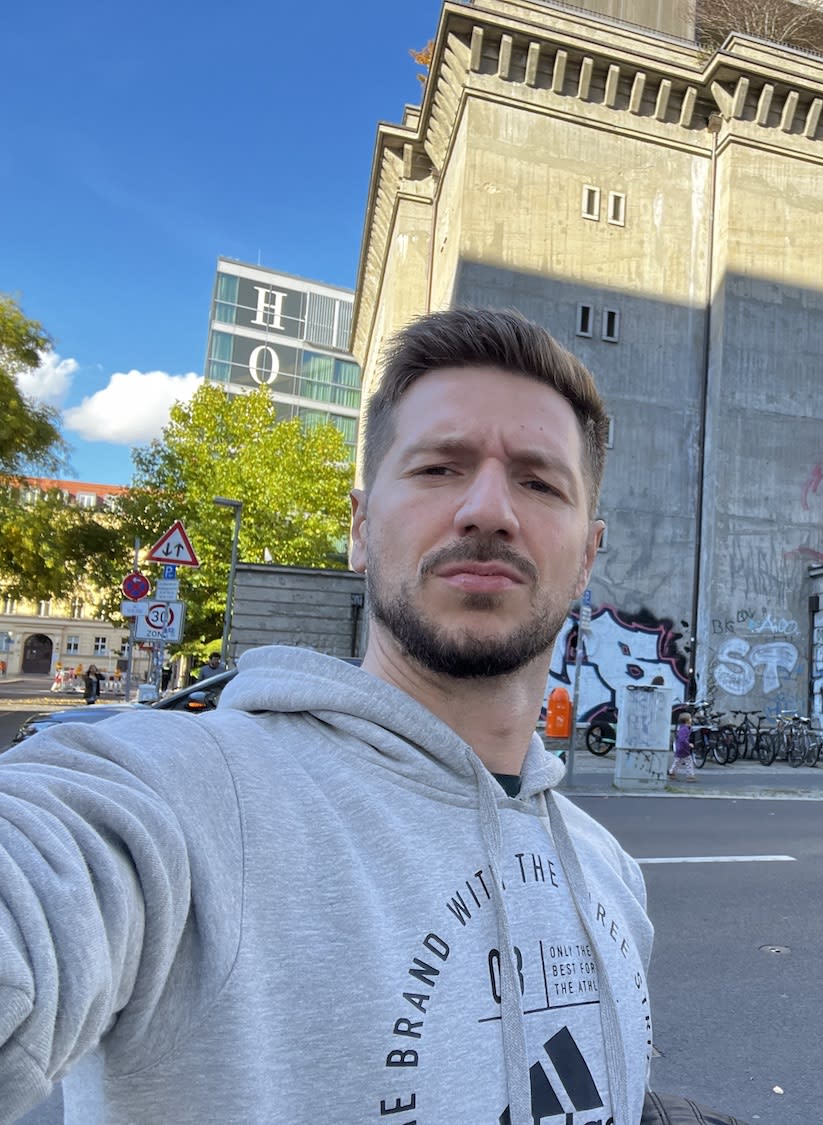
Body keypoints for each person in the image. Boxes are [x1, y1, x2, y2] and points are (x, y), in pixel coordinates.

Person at [0, 308, 656, 1124]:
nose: (488, 509)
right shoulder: (193, 799)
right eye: (439, 468)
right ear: (358, 528)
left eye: (538, 480)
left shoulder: (611, 874)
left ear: (587, 555)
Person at [667, 709, 697, 782]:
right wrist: (689, 744)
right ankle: (690, 776)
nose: (691, 719)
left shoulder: (683, 727)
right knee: (688, 762)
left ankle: (672, 772)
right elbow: (683, 739)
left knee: (677, 761)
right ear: (687, 720)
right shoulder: (685, 729)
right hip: (684, 748)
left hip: (680, 748)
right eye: (690, 718)